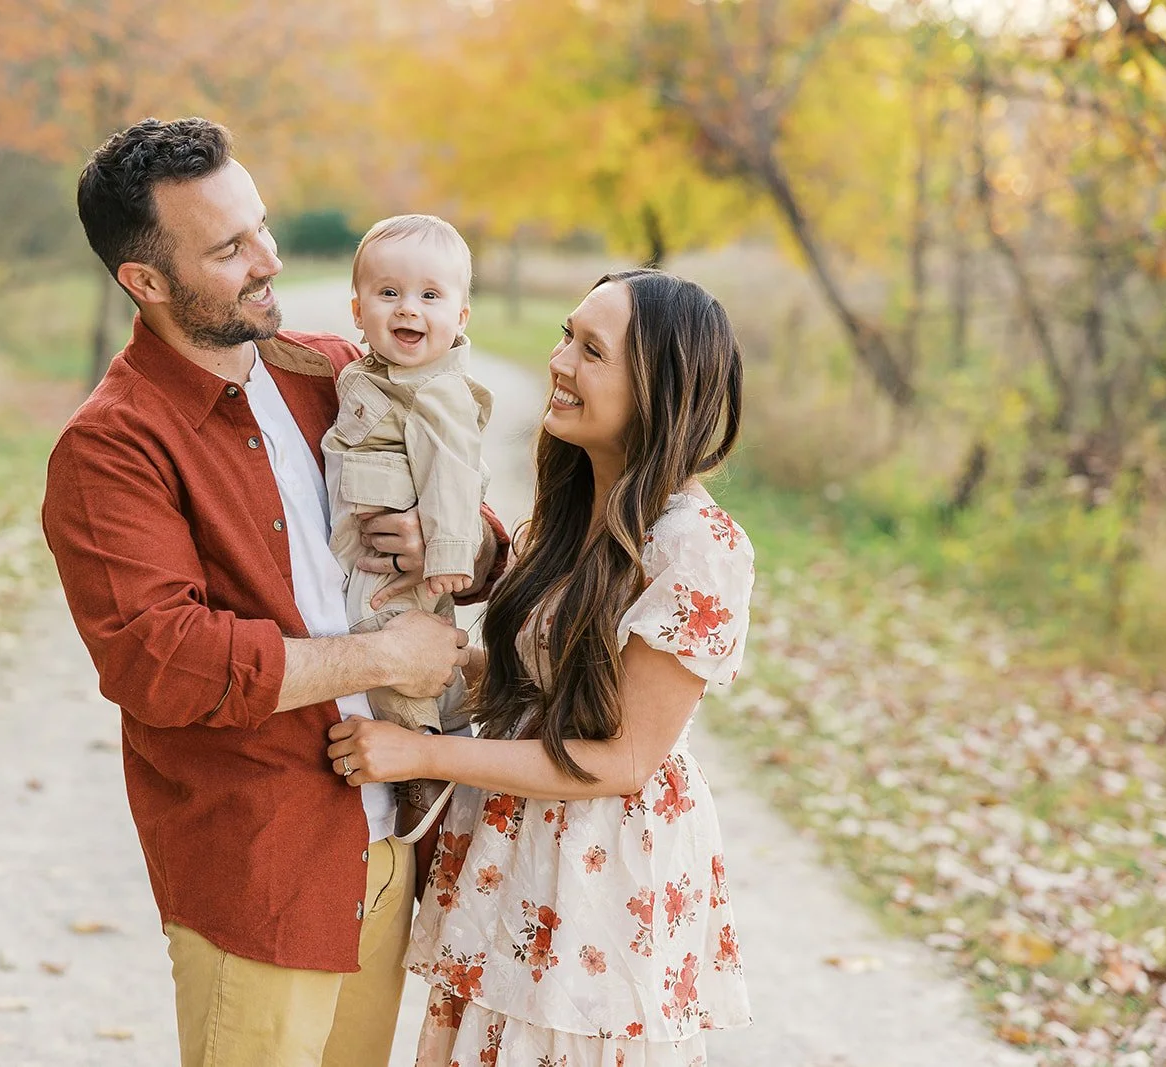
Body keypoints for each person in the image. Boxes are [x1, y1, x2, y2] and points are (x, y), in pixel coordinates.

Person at [40, 116, 509, 1067]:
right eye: (229, 248)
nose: (269, 258)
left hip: (385, 846)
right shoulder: (111, 447)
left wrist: (458, 544)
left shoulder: (334, 374)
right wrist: (383, 654)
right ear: (146, 282)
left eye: (261, 225)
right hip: (262, 864)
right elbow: (163, 662)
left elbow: (489, 541)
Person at [328, 269, 754, 1065]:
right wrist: (434, 663)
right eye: (566, 334)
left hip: (604, 863)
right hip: (516, 847)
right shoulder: (572, 507)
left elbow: (622, 756)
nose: (559, 362)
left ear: (658, 388)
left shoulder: (697, 546)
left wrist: (423, 753)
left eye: (591, 350)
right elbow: (548, 683)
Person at [323, 213, 493, 844]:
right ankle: (450, 727)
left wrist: (450, 554)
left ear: (461, 317)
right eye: (388, 293)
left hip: (410, 563)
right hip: (372, 545)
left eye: (430, 295)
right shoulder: (371, 374)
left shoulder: (437, 390)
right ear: (358, 308)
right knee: (415, 645)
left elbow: (453, 470)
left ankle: (420, 768)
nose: (408, 309)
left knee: (392, 650)